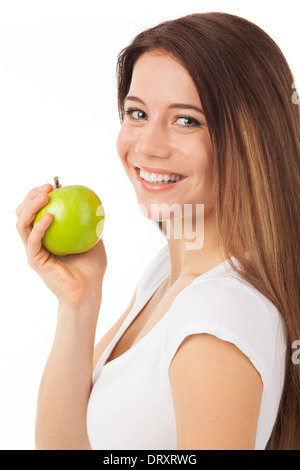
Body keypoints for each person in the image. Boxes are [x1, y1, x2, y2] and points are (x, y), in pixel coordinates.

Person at [15, 12, 300, 450]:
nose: (146, 145)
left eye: (186, 119)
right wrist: (79, 301)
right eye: (137, 112)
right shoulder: (171, 268)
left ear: (249, 137)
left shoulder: (213, 321)